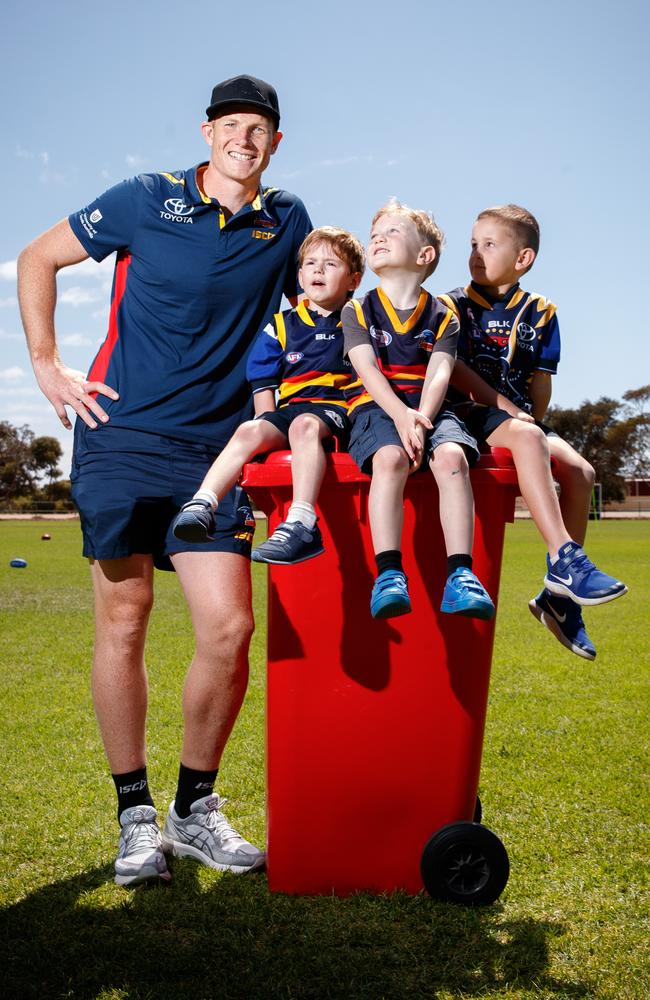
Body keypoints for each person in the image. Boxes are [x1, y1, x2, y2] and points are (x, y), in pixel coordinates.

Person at [17, 75, 312, 886]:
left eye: (259, 129)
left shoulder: (286, 221)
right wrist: (46, 364)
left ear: (276, 143)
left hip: (215, 457)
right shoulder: (147, 198)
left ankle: (195, 808)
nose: (244, 140)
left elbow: (315, 321)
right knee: (126, 617)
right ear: (207, 132)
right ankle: (136, 817)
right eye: (231, 126)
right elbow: (38, 256)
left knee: (229, 628)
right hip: (120, 435)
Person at [440, 203, 627, 661]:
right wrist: (510, 413)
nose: (476, 253)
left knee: (581, 471)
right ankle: (565, 556)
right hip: (468, 415)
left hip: (517, 418)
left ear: (523, 259)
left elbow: (541, 383)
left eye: (489, 244)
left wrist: (529, 418)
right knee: (527, 437)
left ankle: (558, 601)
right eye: (472, 244)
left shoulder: (543, 312)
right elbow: (455, 369)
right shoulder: (451, 304)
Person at [172, 226, 364, 563]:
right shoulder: (280, 325)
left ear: (354, 280)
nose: (318, 270)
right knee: (250, 429)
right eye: (310, 263)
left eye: (331, 264)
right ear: (300, 275)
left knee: (304, 426)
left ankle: (303, 522)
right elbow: (264, 388)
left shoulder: (360, 321)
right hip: (290, 412)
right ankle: (203, 503)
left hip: (336, 411)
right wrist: (264, 435)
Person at [342, 200, 494, 621]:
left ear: (424, 255)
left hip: (428, 409)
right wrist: (401, 416)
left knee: (451, 458)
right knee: (389, 459)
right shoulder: (357, 308)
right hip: (377, 407)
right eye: (375, 234)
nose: (378, 238)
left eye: (391, 232)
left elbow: (440, 373)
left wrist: (422, 419)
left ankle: (461, 575)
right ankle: (389, 574)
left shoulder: (443, 314)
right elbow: (366, 369)